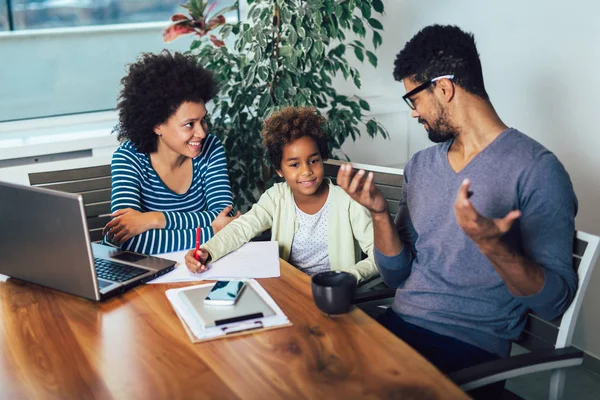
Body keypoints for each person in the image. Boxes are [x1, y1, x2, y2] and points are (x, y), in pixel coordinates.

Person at [337, 24, 578, 378]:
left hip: (469, 349)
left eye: (414, 99)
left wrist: (492, 246)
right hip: (398, 327)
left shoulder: (537, 169)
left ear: (444, 88)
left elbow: (554, 302)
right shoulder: (421, 166)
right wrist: (378, 214)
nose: (413, 113)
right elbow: (395, 275)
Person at [184, 107, 378, 283]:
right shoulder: (275, 197)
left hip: (330, 295)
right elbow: (242, 228)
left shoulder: (348, 201)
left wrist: (349, 277)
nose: (306, 171)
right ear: (279, 170)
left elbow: (378, 256)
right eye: (294, 164)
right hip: (287, 288)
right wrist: (207, 251)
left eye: (313, 161)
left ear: (322, 158)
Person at [103, 51, 240, 255]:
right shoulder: (129, 158)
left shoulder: (211, 148)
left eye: (203, 120)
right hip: (148, 279)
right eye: (189, 124)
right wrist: (211, 231)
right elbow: (126, 241)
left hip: (200, 269)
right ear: (157, 125)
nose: (202, 132)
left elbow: (225, 217)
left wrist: (154, 219)